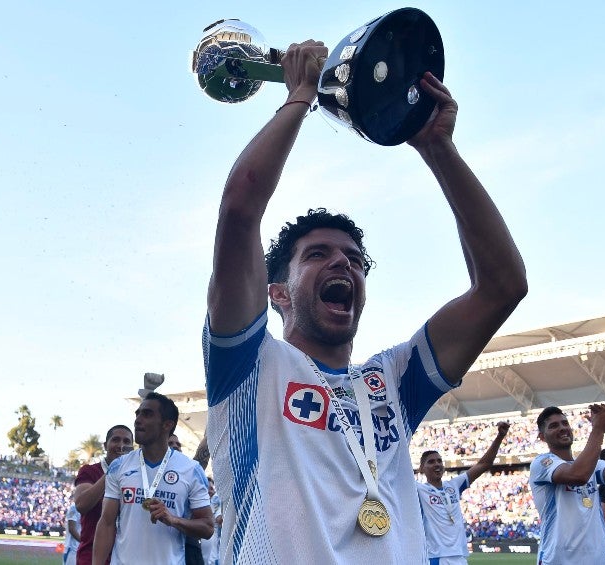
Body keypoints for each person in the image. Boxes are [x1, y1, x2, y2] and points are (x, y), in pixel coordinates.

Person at [203, 39, 528, 563]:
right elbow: (240, 206)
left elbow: (503, 285)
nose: (343, 264)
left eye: (355, 259)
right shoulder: (250, 368)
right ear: (278, 292)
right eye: (318, 255)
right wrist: (300, 98)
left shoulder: (394, 381)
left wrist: (437, 148)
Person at [92, 392, 214, 565]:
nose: (138, 420)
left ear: (167, 424)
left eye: (147, 414)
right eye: (138, 414)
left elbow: (208, 527)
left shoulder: (191, 470)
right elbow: (106, 522)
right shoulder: (119, 466)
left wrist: (173, 520)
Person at [529, 404, 605, 565]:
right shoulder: (542, 463)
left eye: (565, 423)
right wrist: (598, 428)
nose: (562, 428)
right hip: (558, 560)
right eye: (554, 426)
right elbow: (578, 475)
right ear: (542, 437)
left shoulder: (592, 465)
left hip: (599, 560)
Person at [416, 421, 510, 564]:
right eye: (431, 462)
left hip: (459, 556)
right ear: (421, 469)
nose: (437, 464)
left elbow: (484, 464)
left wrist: (499, 437)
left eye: (439, 461)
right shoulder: (419, 490)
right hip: (436, 556)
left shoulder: (454, 485)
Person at [73, 424, 134, 565]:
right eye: (116, 440)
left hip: (125, 557)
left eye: (126, 442)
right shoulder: (90, 471)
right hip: (91, 557)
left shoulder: (136, 477)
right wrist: (113, 472)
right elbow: (81, 504)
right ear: (105, 445)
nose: (120, 446)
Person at [169, 434, 205, 565]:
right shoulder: (143, 474)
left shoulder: (188, 472)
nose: (175, 446)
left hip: (189, 547)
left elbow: (202, 455)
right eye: (170, 443)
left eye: (178, 444)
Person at [64, 500, 81, 565]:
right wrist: (84, 541)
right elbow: (72, 529)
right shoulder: (74, 507)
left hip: (80, 547)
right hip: (73, 549)